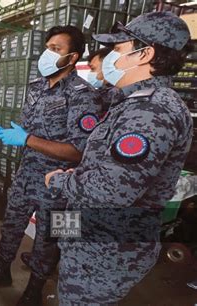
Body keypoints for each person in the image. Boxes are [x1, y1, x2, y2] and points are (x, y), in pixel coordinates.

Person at [45, 11, 193, 305]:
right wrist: (79, 174)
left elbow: (114, 191)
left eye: (118, 48)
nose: (110, 57)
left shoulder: (151, 111)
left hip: (105, 251)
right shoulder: (132, 101)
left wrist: (61, 181)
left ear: (145, 54)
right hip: (91, 234)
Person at [0, 25, 102, 305]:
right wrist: (12, 133)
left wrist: (27, 138)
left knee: (50, 238)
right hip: (27, 173)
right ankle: (1, 269)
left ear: (72, 56)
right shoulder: (36, 86)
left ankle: (35, 288)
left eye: (56, 49)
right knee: (12, 224)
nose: (48, 53)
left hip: (61, 182)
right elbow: (30, 129)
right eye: (47, 47)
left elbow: (80, 151)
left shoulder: (83, 94)